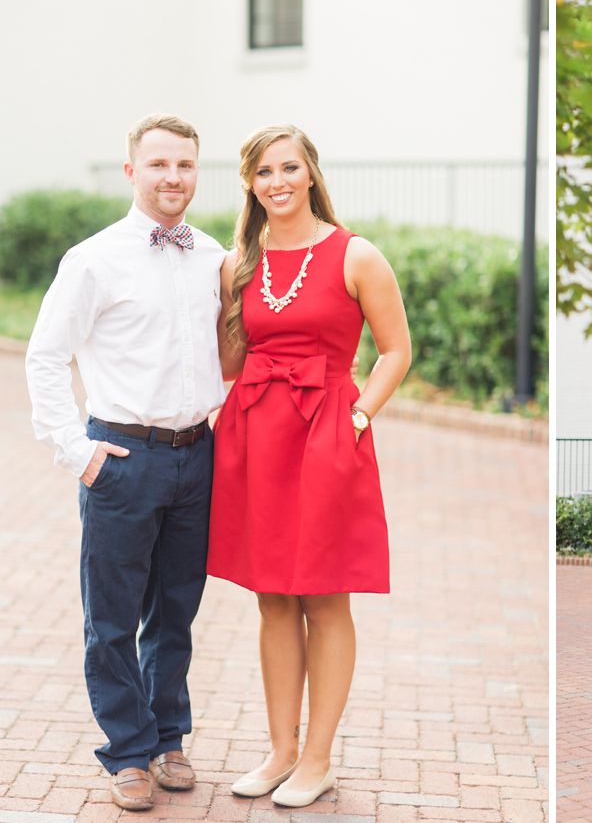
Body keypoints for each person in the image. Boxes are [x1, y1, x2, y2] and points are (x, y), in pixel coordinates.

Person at [207, 125, 411, 808]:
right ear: (251, 184)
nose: (278, 181)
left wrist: (358, 415)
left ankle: (318, 760)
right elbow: (232, 363)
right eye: (264, 172)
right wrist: (221, 304)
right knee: (272, 596)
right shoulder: (243, 262)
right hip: (257, 435)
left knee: (324, 596)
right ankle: (281, 752)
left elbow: (395, 351)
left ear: (311, 173)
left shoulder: (356, 254)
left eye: (289, 167)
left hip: (327, 432)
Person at [25, 114, 224, 811]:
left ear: (197, 173)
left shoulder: (214, 257)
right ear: (132, 172)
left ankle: (170, 737)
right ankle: (128, 752)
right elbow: (46, 357)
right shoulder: (94, 259)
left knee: (175, 612)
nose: (174, 177)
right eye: (160, 164)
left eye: (186, 166)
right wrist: (77, 453)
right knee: (110, 618)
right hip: (121, 458)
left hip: (196, 457)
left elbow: (226, 355)